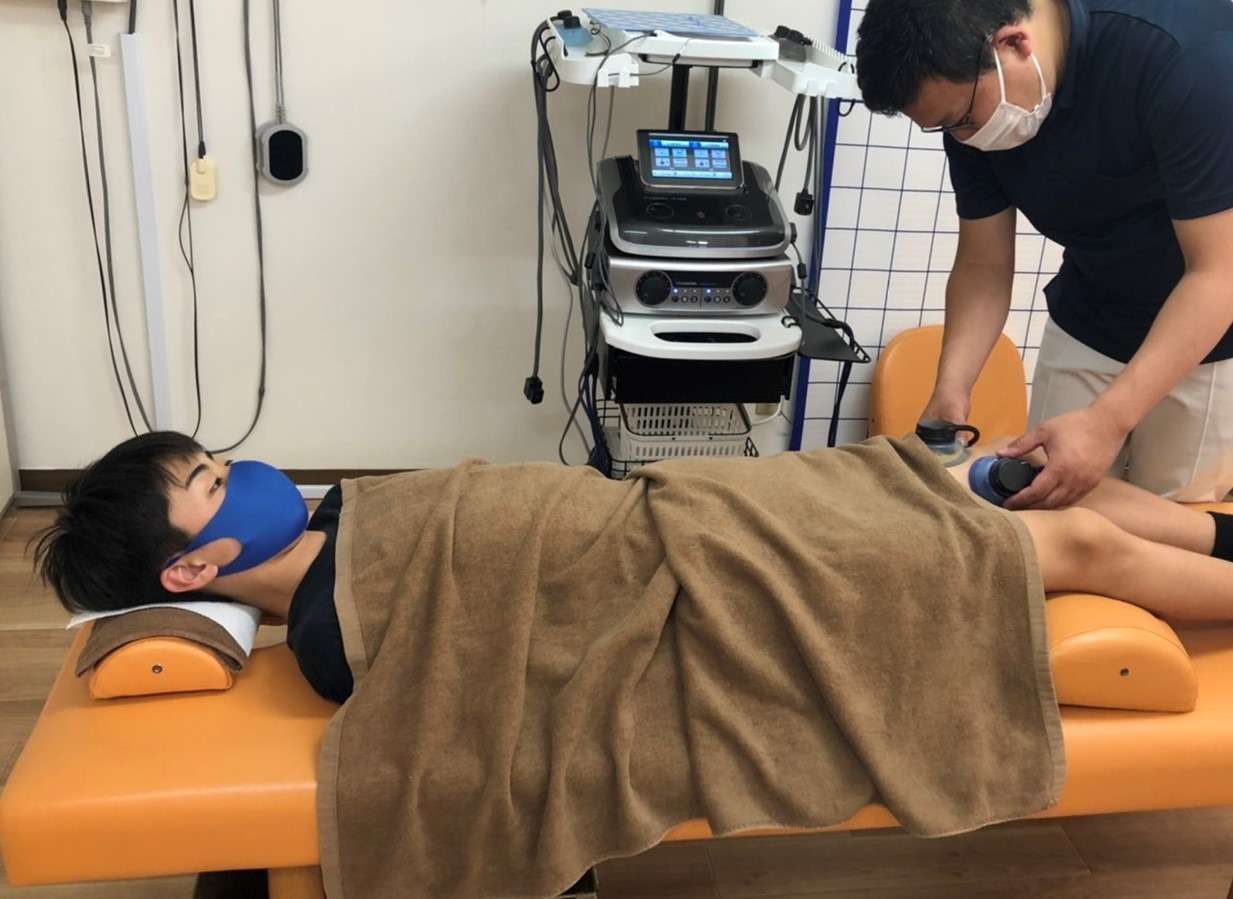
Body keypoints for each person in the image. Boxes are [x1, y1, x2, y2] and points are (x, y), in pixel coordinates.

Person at [30, 431, 1233, 703]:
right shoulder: (332, 636)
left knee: (1009, 470)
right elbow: (515, 664)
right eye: (210, 482)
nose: (240, 469)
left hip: (714, 505)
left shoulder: (353, 507)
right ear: (191, 571)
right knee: (1068, 543)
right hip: (720, 577)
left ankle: (1218, 530)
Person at [854, 0, 1233, 509]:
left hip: (1209, 338)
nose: (963, 138)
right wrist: (952, 390)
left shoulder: (1186, 59)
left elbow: (1218, 273)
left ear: (1013, 43)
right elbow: (983, 265)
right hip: (1091, 313)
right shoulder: (968, 109)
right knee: (1042, 508)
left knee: (1167, 525)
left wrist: (1108, 421)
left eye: (962, 119)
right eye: (944, 127)